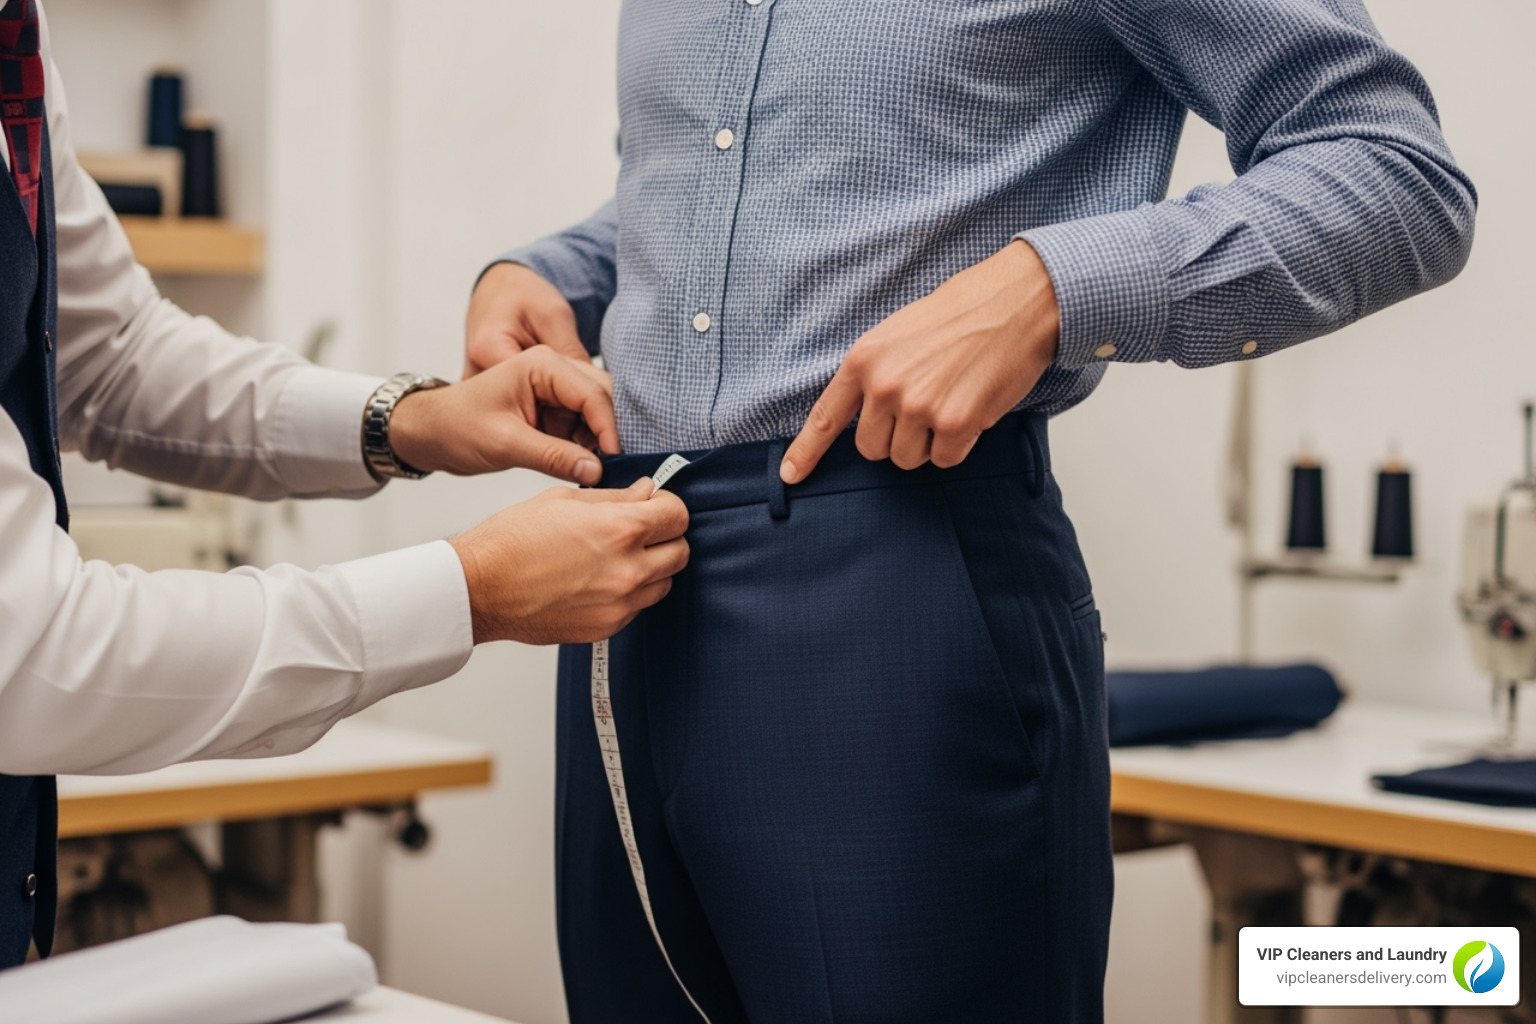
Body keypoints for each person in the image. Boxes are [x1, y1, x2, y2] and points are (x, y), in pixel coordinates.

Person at [466, 0, 1476, 1021]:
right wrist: (556, 271)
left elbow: (1397, 173)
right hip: (616, 591)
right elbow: (731, 185)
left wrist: (1053, 288)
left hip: (898, 573)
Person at [0, 0, 690, 969]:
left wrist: (411, 420)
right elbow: (30, 651)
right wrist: (472, 588)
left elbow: (109, 354)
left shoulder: (16, 53)